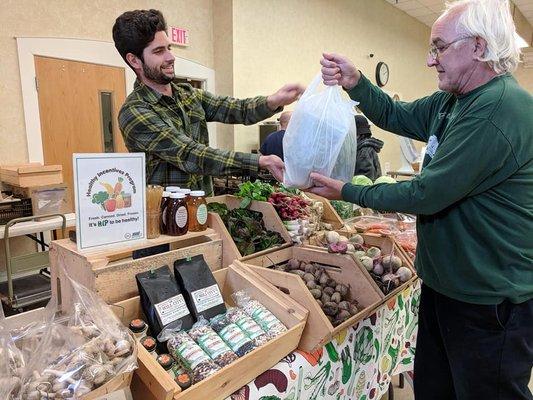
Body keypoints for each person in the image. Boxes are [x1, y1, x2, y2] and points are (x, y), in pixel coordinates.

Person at [309, 1, 533, 399]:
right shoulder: (453, 100)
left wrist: (346, 190)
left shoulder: (498, 109)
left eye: (439, 47)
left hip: (488, 300)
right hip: (447, 287)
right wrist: (356, 81)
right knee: (436, 387)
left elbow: (427, 193)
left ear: (477, 47)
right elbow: (395, 114)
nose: (431, 61)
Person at [112, 10, 304, 195]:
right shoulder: (135, 111)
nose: (171, 57)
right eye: (159, 51)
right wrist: (259, 161)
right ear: (135, 60)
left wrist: (273, 100)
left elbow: (235, 109)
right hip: (166, 219)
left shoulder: (188, 95)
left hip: (205, 206)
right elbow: (190, 154)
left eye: (169, 48)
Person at [353, 114, 383, 181]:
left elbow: (365, 178)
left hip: (363, 190)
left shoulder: (364, 150)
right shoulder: (365, 147)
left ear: (358, 134)